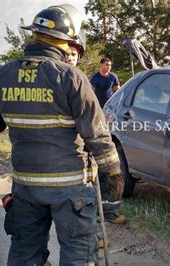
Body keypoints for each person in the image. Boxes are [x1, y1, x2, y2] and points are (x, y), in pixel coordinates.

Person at [0, 4, 124, 265]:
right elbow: (97, 134)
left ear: (34, 36)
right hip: (70, 188)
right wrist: (113, 171)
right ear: (65, 43)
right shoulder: (72, 77)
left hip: (26, 187)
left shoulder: (2, 75)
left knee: (25, 253)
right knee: (78, 253)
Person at [67, 39, 127, 226]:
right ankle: (90, 230)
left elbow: (117, 92)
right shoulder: (85, 79)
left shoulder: (110, 77)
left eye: (73, 55)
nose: (70, 58)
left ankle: (104, 214)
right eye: (67, 54)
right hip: (81, 132)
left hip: (101, 115)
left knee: (102, 174)